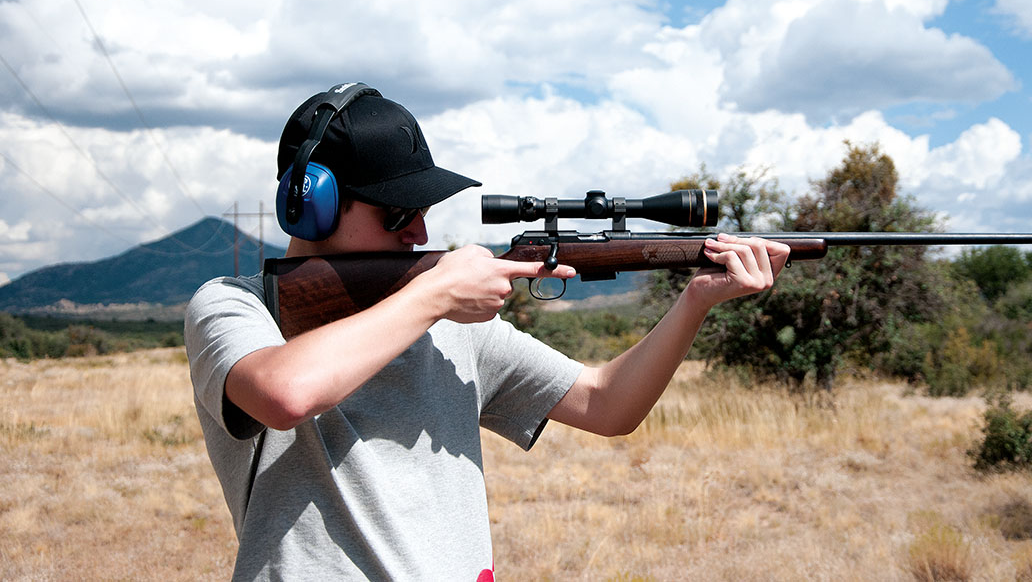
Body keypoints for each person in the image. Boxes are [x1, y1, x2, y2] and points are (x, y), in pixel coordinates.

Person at [185, 84, 789, 581]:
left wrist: (696, 301)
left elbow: (608, 404)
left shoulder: (450, 323)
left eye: (422, 211)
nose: (419, 234)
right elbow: (286, 394)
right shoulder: (237, 307)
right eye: (397, 213)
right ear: (310, 204)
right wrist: (436, 294)